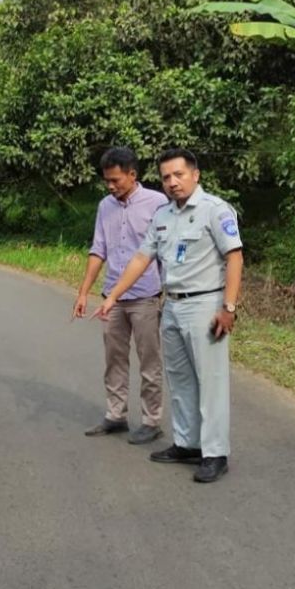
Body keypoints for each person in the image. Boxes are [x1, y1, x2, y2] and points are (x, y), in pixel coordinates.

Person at [93, 149, 243, 483]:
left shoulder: (214, 211)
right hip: (172, 305)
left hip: (205, 305)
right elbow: (140, 259)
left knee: (211, 381)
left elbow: (234, 256)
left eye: (179, 175)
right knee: (180, 379)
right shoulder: (163, 215)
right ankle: (187, 443)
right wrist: (113, 296)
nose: (172, 182)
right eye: (166, 177)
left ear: (195, 175)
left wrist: (229, 308)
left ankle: (215, 452)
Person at [71, 147, 168, 445]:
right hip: (111, 297)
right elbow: (98, 248)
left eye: (116, 180)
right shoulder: (105, 206)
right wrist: (84, 292)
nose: (111, 187)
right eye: (107, 182)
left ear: (132, 174)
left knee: (149, 360)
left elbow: (163, 249)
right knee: (114, 359)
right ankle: (116, 415)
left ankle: (152, 420)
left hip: (146, 296)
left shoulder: (158, 203)